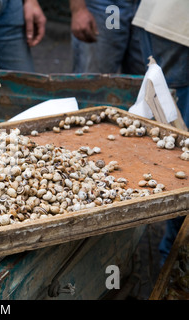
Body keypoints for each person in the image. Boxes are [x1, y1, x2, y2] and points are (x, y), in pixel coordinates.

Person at [132, 0, 189, 266]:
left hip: (169, 21)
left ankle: (174, 262)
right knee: (180, 143)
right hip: (176, 26)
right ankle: (174, 262)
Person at [69, 0, 145, 75]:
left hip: (147, 6)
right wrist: (79, 9)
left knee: (145, 79)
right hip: (103, 5)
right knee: (93, 78)